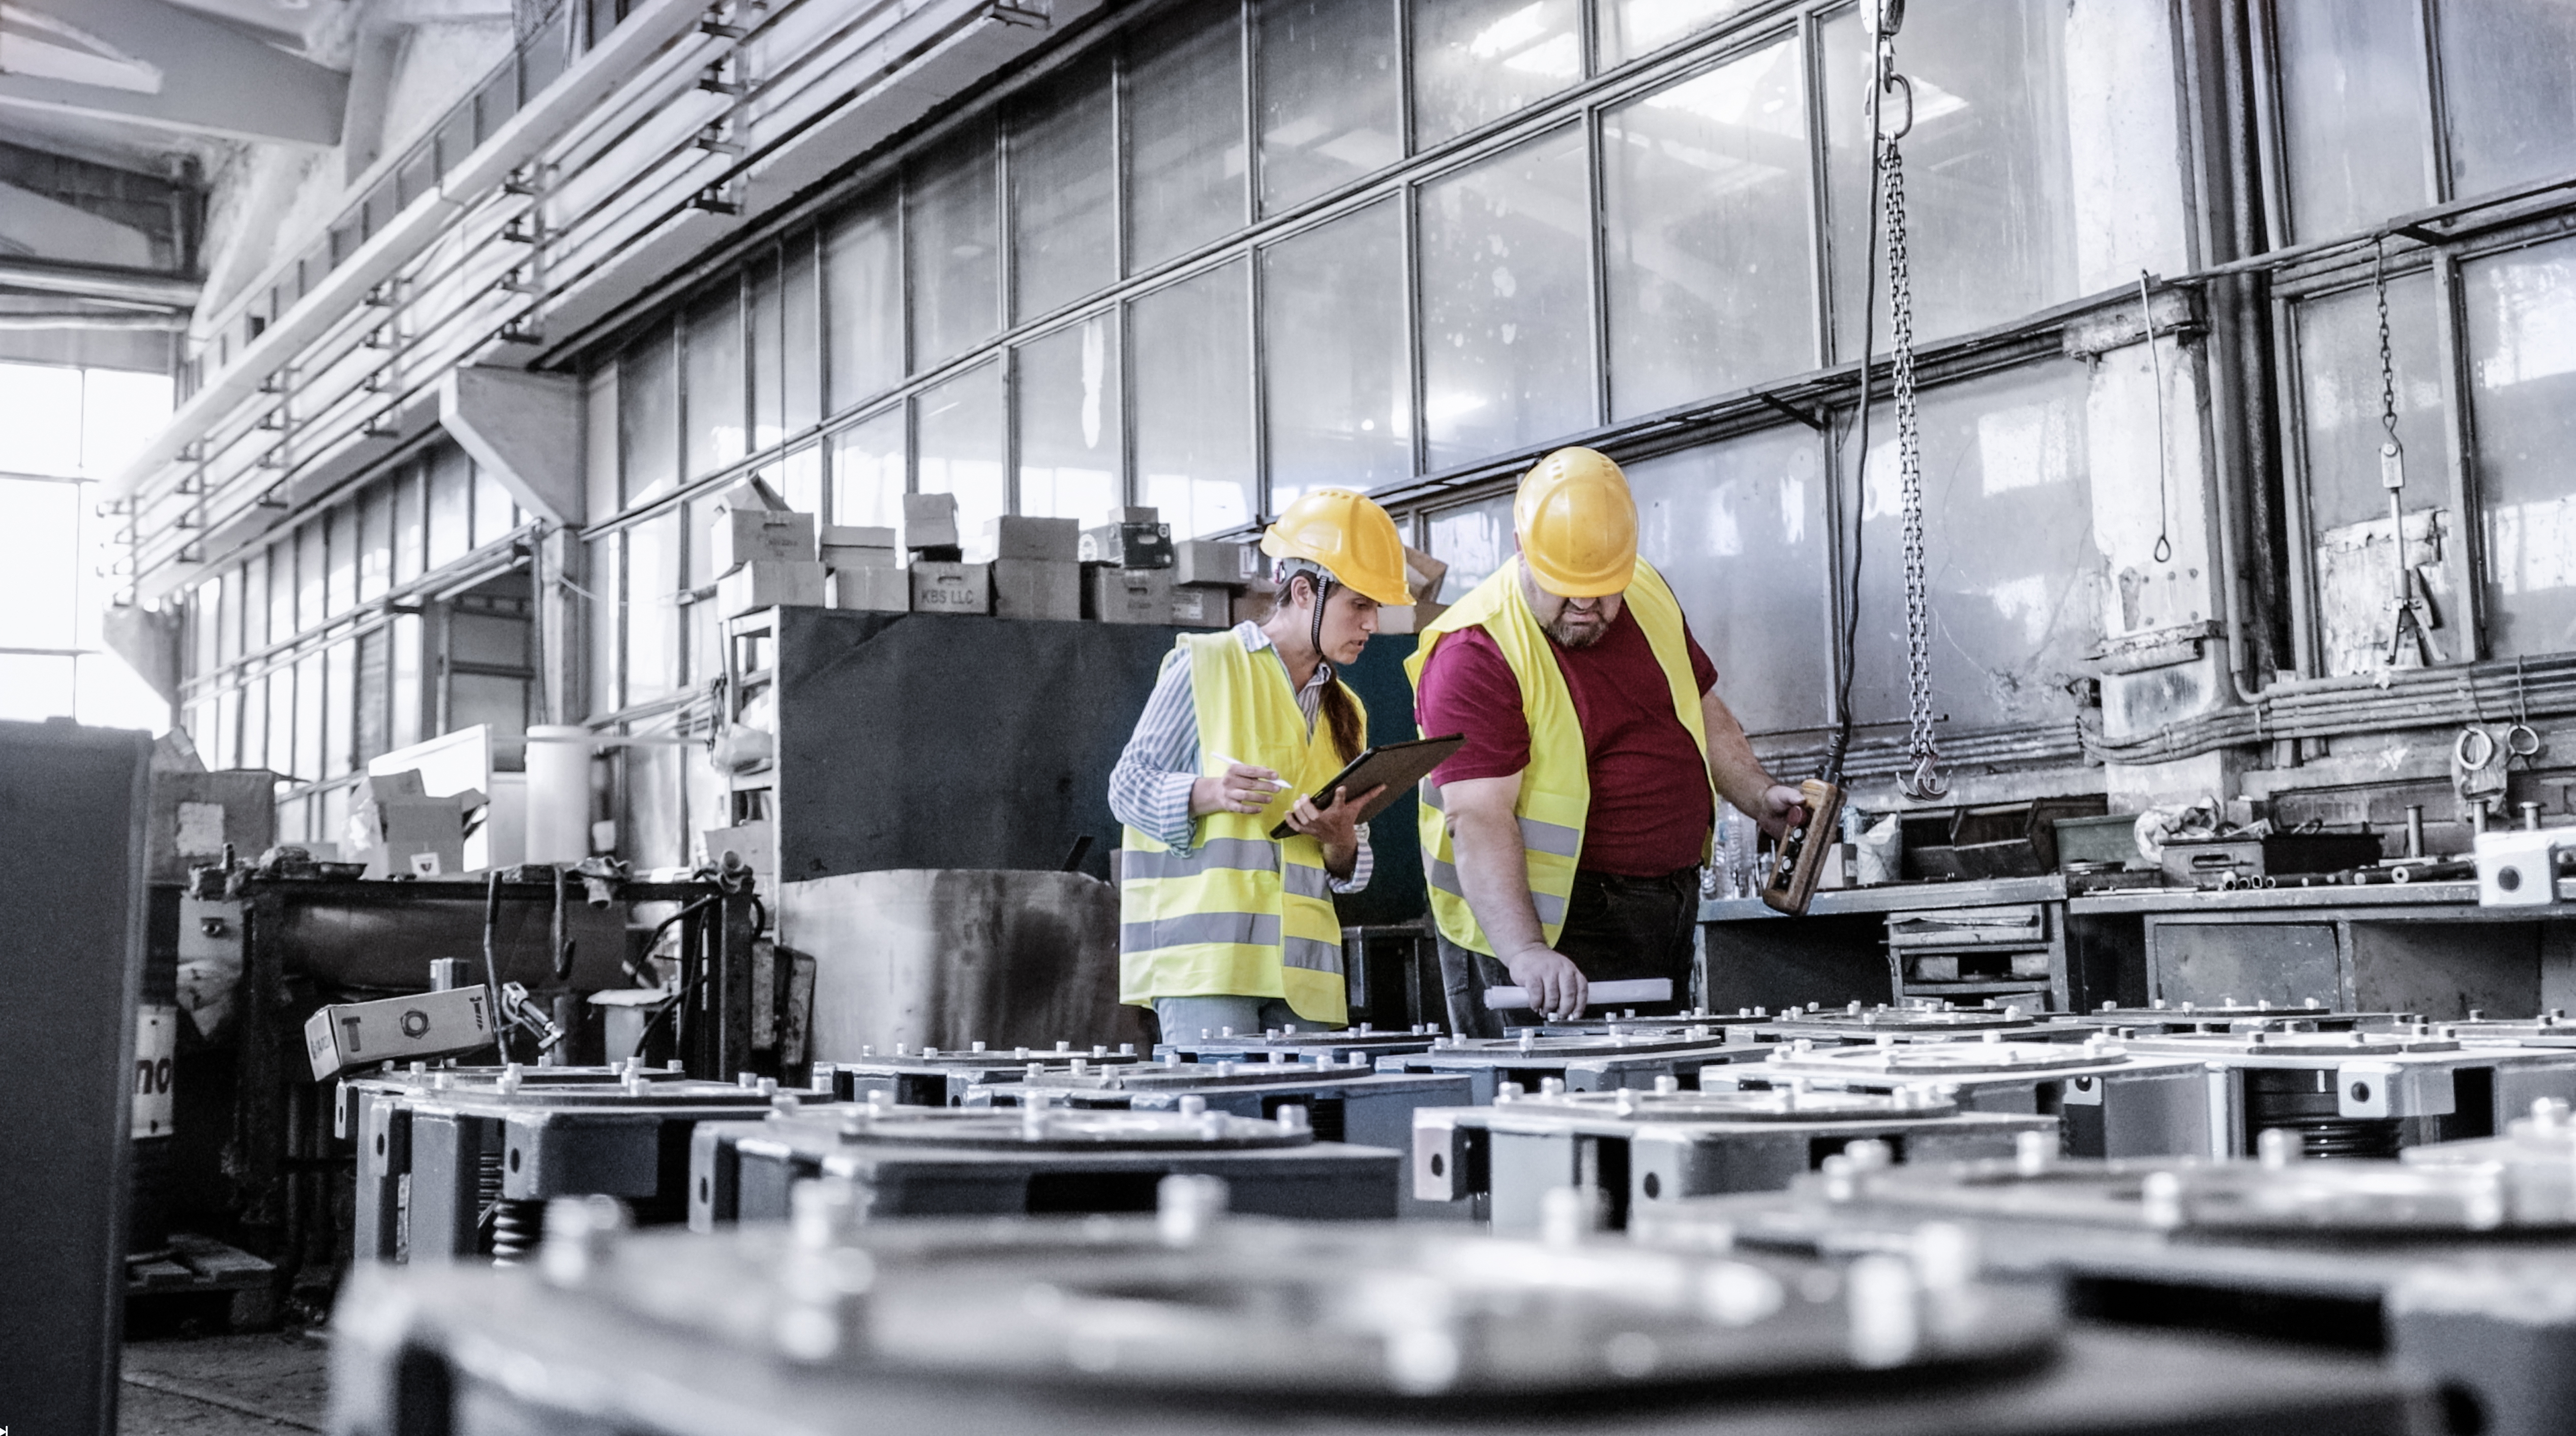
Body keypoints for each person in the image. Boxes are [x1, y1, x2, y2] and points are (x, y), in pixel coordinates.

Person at [1409, 447, 1806, 1034]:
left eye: (1601, 587)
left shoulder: (1643, 589)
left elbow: (1695, 703)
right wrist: (1525, 952)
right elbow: (1478, 817)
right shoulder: (1475, 650)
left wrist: (1755, 792)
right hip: (1542, 934)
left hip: (1659, 910)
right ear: (1523, 548)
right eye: (1564, 587)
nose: (1585, 605)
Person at [1111, 489, 1415, 1040]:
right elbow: (1127, 787)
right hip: (1209, 972)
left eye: (1376, 608)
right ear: (1303, 592)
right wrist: (1209, 792)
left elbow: (1345, 867)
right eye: (1359, 604)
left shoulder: (1346, 711)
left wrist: (1341, 841)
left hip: (1305, 978)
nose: (1372, 623)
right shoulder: (1203, 666)